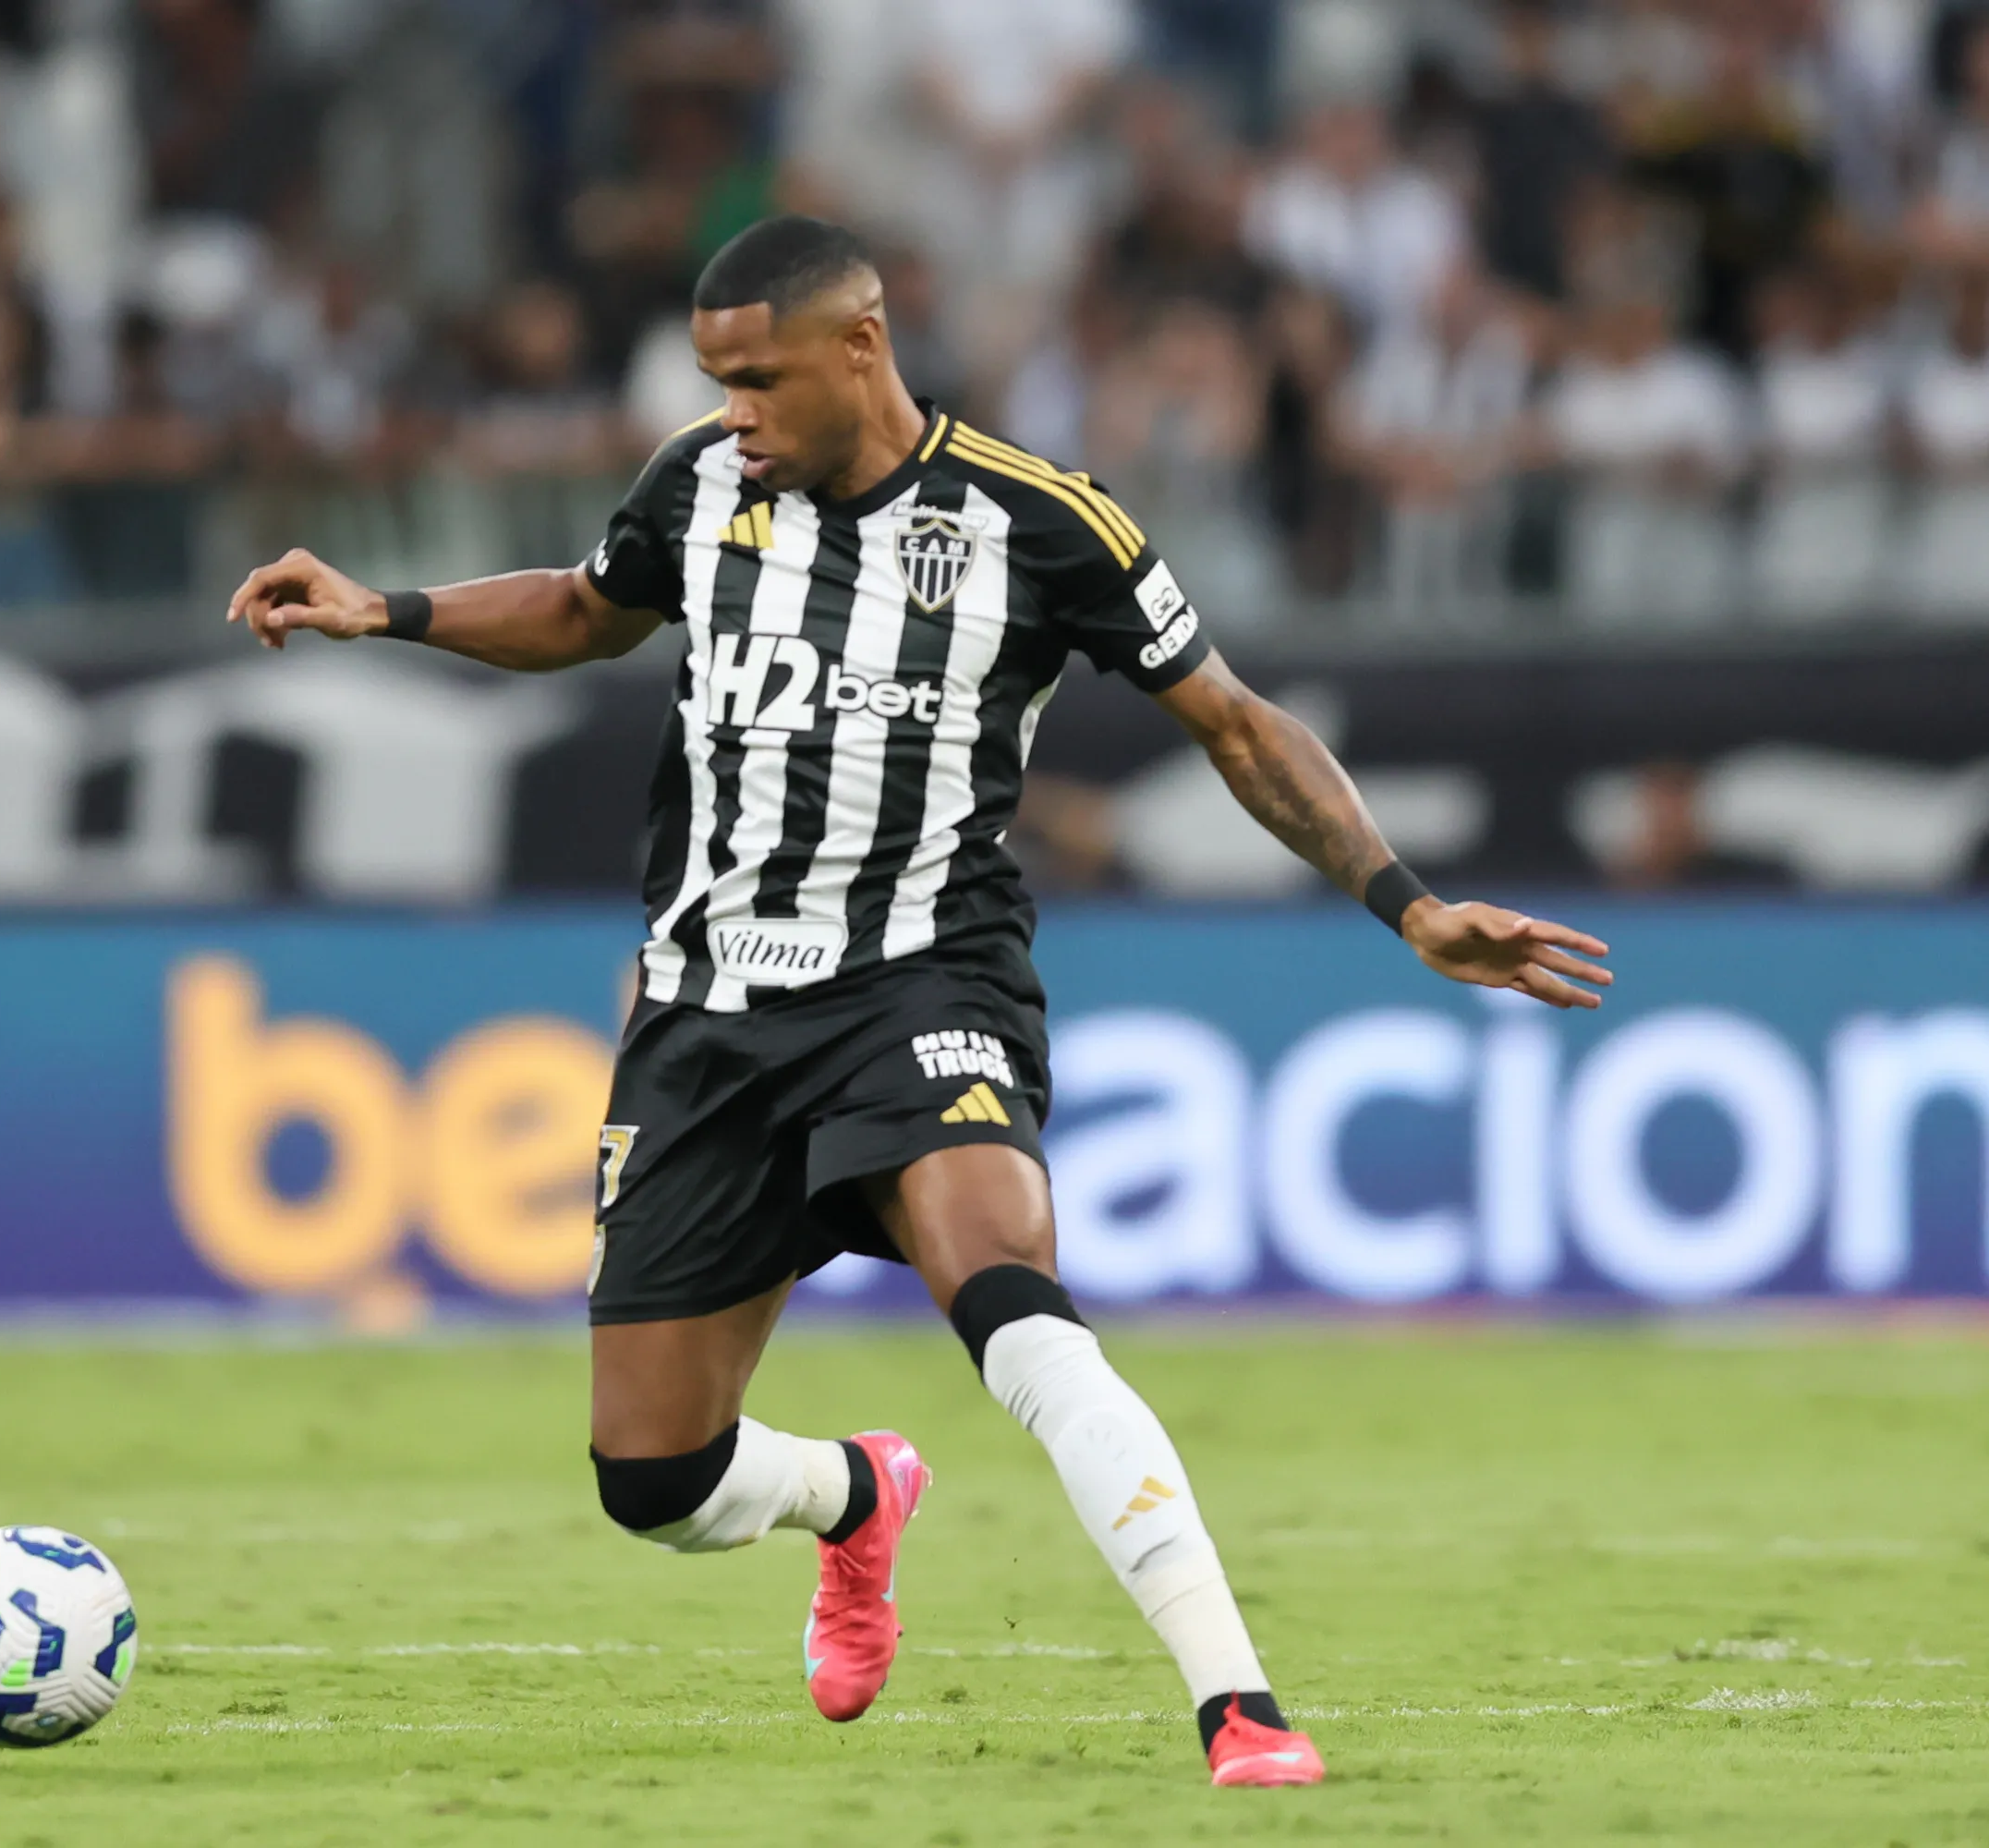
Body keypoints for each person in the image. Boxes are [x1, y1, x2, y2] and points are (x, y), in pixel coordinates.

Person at [227, 215, 1613, 1788]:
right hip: (703, 1013)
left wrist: (1408, 902)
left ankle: (1238, 1702)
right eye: (715, 380)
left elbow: (1233, 723)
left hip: (921, 980)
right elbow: (581, 606)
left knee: (1012, 1301)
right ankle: (855, 1499)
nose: (733, 409)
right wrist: (384, 610)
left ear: (860, 347)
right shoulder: (697, 484)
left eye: (758, 378)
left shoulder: (1041, 522)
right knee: (653, 1478)